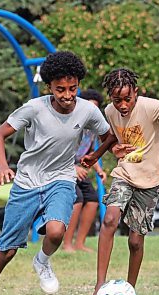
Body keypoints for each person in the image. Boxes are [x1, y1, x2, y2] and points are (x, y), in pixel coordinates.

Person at [0, 51, 111, 295]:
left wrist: (94, 156)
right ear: (49, 87)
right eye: (60, 89)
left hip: (61, 179)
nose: (67, 95)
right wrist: (2, 166)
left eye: (73, 88)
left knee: (56, 231)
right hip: (27, 183)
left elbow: (108, 136)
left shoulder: (88, 109)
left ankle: (42, 261)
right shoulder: (34, 108)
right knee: (7, 250)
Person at [81, 68, 159, 295]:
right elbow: (113, 136)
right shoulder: (110, 111)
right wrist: (95, 155)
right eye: (117, 100)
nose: (123, 105)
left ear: (136, 92)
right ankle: (99, 285)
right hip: (124, 174)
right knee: (110, 220)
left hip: (150, 181)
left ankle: (129, 290)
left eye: (127, 99)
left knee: (135, 241)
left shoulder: (148, 106)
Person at [62, 89, 107, 253]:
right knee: (77, 200)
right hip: (62, 167)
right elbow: (57, 151)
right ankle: (67, 244)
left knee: (93, 199)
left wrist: (99, 169)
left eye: (94, 108)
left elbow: (87, 153)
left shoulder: (93, 128)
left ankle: (79, 243)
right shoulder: (70, 123)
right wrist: (73, 168)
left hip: (78, 167)